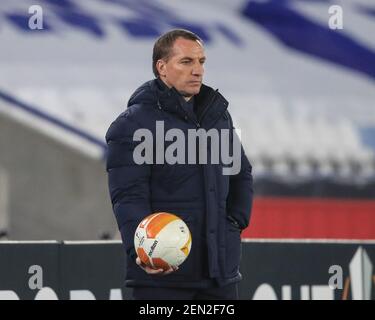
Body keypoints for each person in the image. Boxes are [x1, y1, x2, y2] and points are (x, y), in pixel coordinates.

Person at [106, 29, 253, 300]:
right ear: (162, 67)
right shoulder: (132, 125)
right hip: (162, 278)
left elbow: (241, 174)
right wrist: (144, 252)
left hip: (218, 276)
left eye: (201, 62)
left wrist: (233, 223)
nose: (197, 70)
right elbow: (128, 197)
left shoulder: (218, 116)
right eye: (186, 62)